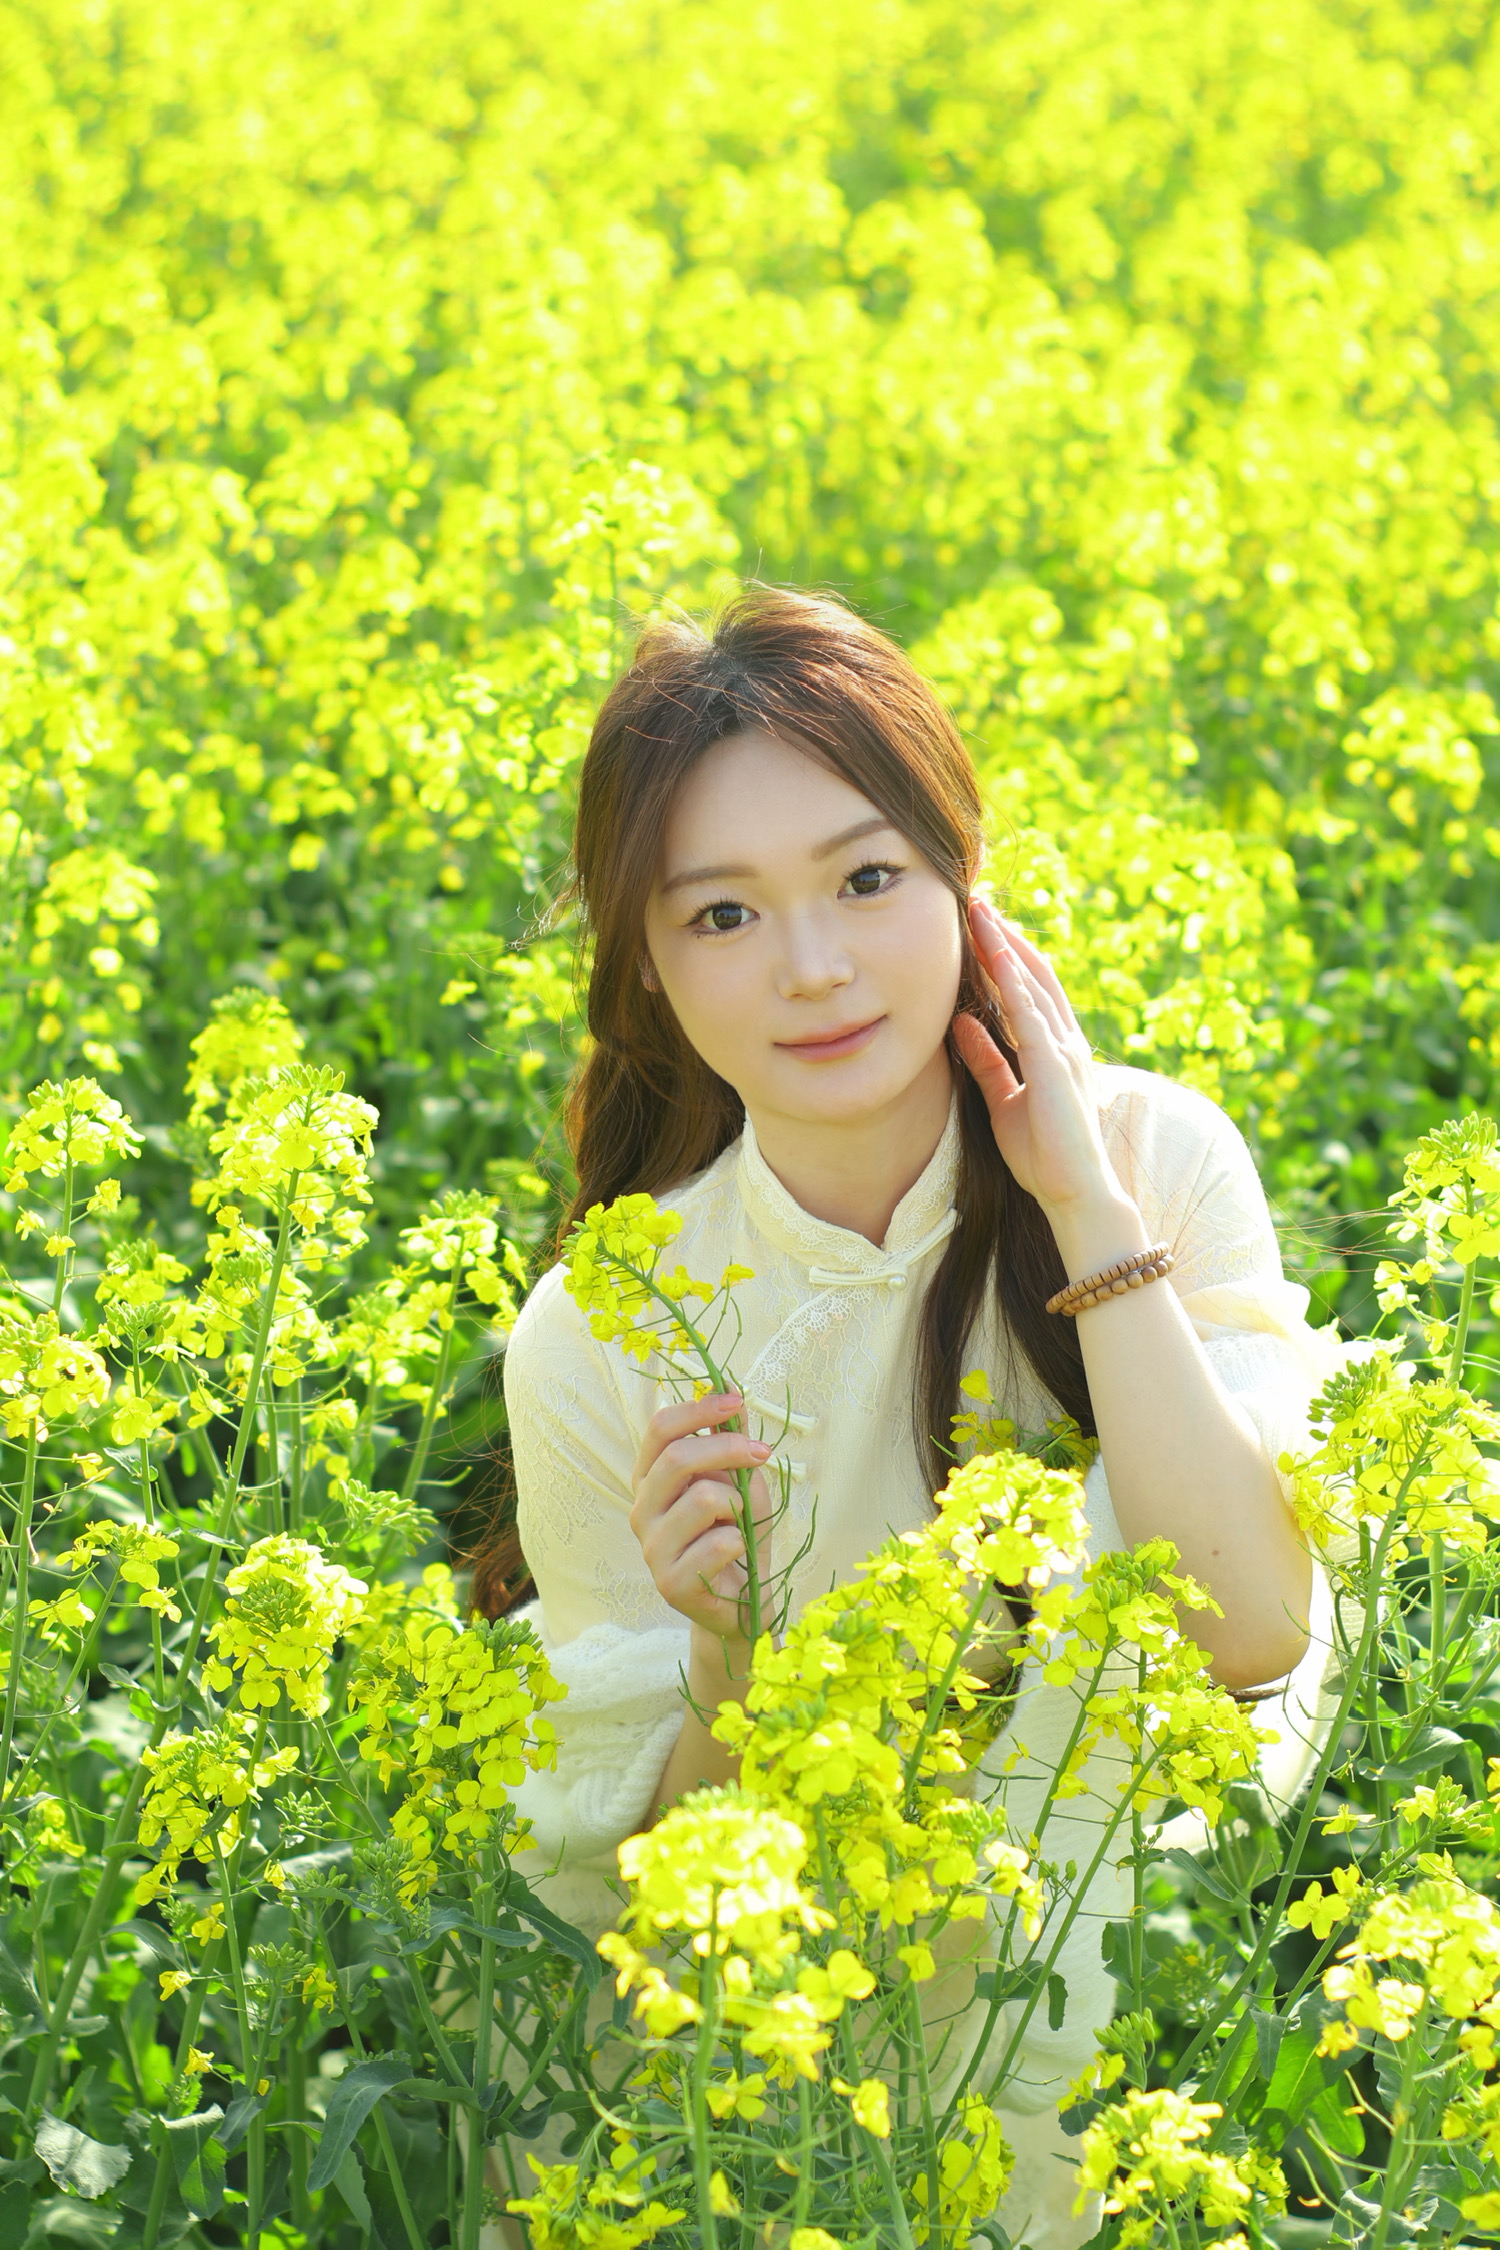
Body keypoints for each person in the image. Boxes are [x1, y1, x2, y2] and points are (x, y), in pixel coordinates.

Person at [480, 586, 1342, 2248]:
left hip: (1123, 2063)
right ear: (647, 967)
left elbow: (1247, 1634)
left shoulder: (1152, 1162)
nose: (812, 968)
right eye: (721, 914)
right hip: (766, 2126)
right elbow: (660, 1925)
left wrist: (1083, 1203)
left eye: (867, 879)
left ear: (968, 883)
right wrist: (724, 1653)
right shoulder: (600, 1330)